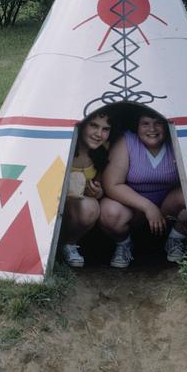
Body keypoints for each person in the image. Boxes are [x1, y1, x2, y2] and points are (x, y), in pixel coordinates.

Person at [100, 109, 187, 268]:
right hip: (134, 209)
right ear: (137, 125)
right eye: (145, 123)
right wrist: (148, 207)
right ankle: (124, 244)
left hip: (168, 208)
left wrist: (186, 164)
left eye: (158, 123)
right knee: (109, 212)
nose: (152, 129)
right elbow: (111, 185)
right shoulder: (127, 141)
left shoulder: (176, 140)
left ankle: (176, 238)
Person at [61, 110, 113, 268]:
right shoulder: (65, 145)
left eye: (105, 129)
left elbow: (100, 184)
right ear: (81, 124)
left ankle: (68, 244)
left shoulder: (103, 152)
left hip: (78, 210)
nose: (99, 134)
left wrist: (97, 191)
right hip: (57, 204)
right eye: (94, 126)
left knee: (91, 207)